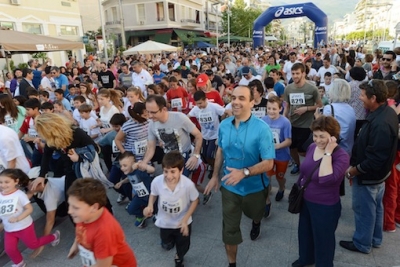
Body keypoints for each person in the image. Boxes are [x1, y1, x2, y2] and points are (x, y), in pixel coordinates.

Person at [204, 86, 275, 267]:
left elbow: (269, 163)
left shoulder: (262, 129)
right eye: (233, 97)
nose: (235, 101)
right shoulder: (224, 125)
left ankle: (257, 221)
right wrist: (214, 176)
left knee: (255, 213)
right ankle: (232, 264)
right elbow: (220, 150)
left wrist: (244, 173)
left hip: (255, 188)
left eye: (241, 98)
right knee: (230, 230)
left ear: (252, 102)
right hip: (229, 187)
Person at [340, 80, 398, 254]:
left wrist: (353, 171)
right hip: (379, 175)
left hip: (369, 176)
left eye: (363, 95)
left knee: (364, 210)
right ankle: (375, 238)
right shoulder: (387, 112)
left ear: (373, 98)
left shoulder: (380, 122)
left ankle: (362, 243)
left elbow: (375, 159)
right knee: (376, 208)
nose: (360, 97)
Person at [292, 116, 349, 267]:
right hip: (306, 200)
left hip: (325, 206)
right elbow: (304, 171)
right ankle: (306, 258)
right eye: (315, 135)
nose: (317, 140)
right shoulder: (312, 147)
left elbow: (326, 178)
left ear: (333, 137)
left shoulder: (341, 156)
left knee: (324, 241)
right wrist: (298, 189)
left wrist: (328, 152)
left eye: (322, 136)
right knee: (305, 233)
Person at [30, 113, 113, 213]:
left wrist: (79, 158)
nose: (40, 135)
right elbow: (46, 155)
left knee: (95, 196)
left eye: (41, 131)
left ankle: (108, 215)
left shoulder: (76, 132)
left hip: (86, 168)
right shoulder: (51, 138)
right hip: (70, 170)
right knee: (70, 203)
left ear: (50, 129)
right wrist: (41, 175)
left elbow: (96, 149)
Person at [143, 151, 199, 267]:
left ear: (181, 170)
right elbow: (153, 194)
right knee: (166, 241)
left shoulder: (188, 185)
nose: (169, 176)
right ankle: (168, 242)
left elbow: (195, 200)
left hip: (183, 223)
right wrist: (149, 205)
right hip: (165, 222)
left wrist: (186, 219)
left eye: (173, 172)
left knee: (184, 245)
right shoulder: (157, 182)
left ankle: (179, 257)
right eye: (165, 171)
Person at [67, 178, 137, 267]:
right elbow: (81, 229)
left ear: (94, 207)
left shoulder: (103, 232)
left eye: (75, 208)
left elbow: (103, 265)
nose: (69, 211)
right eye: (70, 205)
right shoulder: (83, 216)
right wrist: (76, 244)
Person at [0, 169, 60, 267]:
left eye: (6, 182)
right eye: (1, 182)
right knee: (9, 249)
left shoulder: (20, 195)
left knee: (33, 245)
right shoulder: (1, 195)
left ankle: (54, 237)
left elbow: (29, 209)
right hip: (9, 229)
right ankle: (20, 263)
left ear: (16, 182)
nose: (3, 185)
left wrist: (18, 218)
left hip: (24, 226)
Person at [138, 95, 203, 177]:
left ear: (164, 109)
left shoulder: (180, 118)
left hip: (184, 157)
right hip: (168, 159)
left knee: (181, 186)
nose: (150, 116)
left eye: (153, 112)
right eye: (148, 112)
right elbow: (151, 147)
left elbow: (198, 135)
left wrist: (195, 155)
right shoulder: (152, 124)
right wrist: (144, 162)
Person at [283, 63, 322, 175]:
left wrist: (307, 108)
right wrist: (285, 117)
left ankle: (310, 166)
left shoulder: (312, 89)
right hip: (292, 124)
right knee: (292, 148)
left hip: (307, 125)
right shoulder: (288, 89)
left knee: (304, 150)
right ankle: (298, 165)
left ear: (303, 73)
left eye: (297, 73)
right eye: (293, 73)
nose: (294, 76)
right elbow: (287, 105)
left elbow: (320, 105)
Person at [188, 90, 225, 204]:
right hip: (204, 136)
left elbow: (225, 111)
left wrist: (222, 122)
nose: (199, 106)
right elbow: (188, 116)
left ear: (205, 99)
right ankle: (212, 165)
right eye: (197, 103)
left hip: (215, 136)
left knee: (210, 154)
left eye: (200, 103)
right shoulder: (196, 109)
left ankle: (216, 169)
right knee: (204, 156)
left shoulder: (213, 107)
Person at [262, 96, 291, 212]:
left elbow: (289, 141)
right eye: (269, 108)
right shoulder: (263, 120)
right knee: (267, 177)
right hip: (268, 155)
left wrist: (277, 146)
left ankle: (282, 187)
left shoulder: (285, 122)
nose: (271, 111)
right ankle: (267, 201)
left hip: (282, 155)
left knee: (280, 177)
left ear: (280, 109)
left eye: (274, 109)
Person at [114, 151, 155, 228]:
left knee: (156, 210)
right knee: (130, 209)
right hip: (139, 196)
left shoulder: (140, 170)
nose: (122, 168)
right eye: (121, 166)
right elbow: (129, 178)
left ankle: (157, 215)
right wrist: (122, 182)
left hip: (151, 195)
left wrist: (142, 165)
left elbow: (152, 170)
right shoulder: (129, 172)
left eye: (125, 165)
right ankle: (141, 215)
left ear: (133, 164)